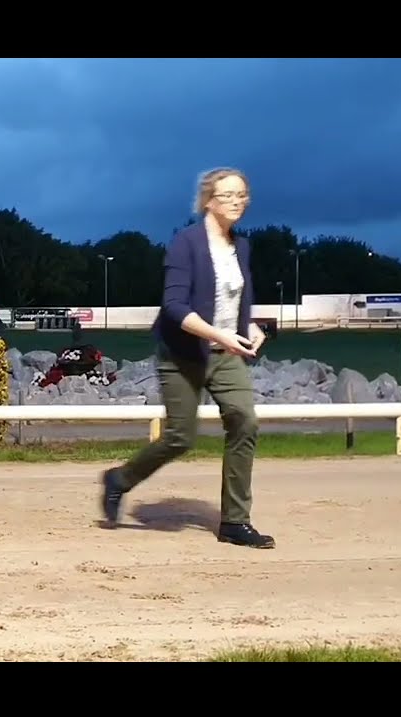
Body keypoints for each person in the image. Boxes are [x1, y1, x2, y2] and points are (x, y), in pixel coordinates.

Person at [99, 167, 273, 549]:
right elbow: (175, 306)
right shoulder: (186, 243)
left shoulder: (242, 246)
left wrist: (251, 326)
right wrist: (218, 334)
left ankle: (234, 522)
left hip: (225, 353)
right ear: (209, 201)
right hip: (182, 353)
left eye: (242, 194)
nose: (236, 201)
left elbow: (236, 297)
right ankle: (119, 480)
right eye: (227, 195)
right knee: (181, 437)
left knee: (245, 421)